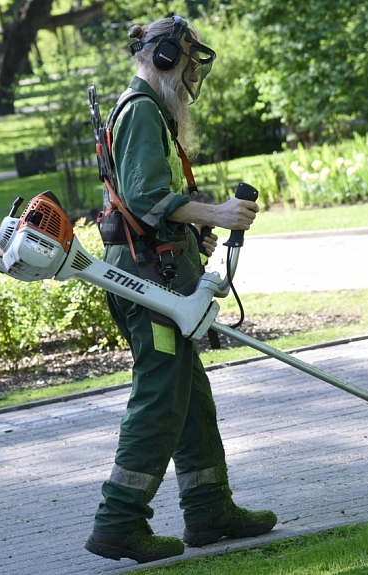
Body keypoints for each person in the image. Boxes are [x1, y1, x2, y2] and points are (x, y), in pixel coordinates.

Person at [84, 15, 277, 564]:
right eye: (189, 61)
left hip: (156, 276)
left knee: (190, 399)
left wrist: (192, 225)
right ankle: (119, 522)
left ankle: (209, 510)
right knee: (160, 398)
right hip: (150, 286)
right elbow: (146, 197)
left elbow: (149, 203)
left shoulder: (144, 110)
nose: (192, 74)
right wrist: (215, 210)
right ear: (165, 57)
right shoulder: (143, 110)